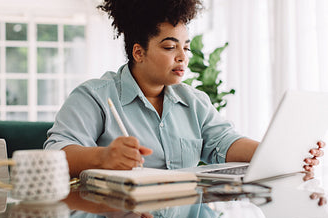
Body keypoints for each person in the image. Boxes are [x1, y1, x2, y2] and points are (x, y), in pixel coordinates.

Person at [43, 0, 324, 177]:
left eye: (186, 47)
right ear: (138, 52)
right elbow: (55, 154)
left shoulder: (194, 101)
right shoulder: (95, 96)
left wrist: (277, 153)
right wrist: (103, 157)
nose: (182, 57)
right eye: (169, 47)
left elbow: (224, 143)